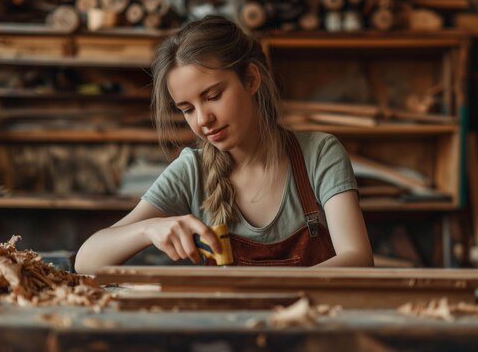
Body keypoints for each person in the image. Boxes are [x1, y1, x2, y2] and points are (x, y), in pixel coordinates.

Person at [75, 15, 373, 274]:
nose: (203, 119)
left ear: (251, 79)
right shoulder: (192, 170)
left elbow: (358, 259)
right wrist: (147, 229)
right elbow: (86, 261)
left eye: (213, 96)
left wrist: (266, 292)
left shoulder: (319, 154)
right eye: (187, 109)